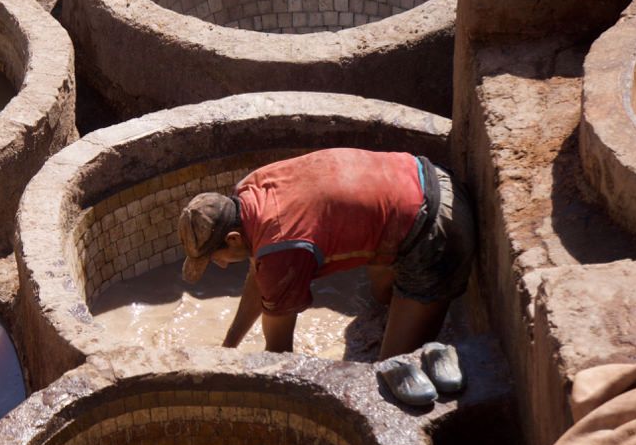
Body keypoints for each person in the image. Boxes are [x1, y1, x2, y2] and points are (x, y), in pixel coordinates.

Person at [177, 147, 475, 404]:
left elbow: (279, 353)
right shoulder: (251, 190)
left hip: (440, 229)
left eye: (215, 258)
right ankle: (413, 313)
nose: (221, 266)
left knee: (386, 377)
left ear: (232, 239)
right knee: (381, 298)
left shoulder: (279, 249)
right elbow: (260, 274)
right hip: (426, 174)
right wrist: (229, 347)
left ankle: (435, 339)